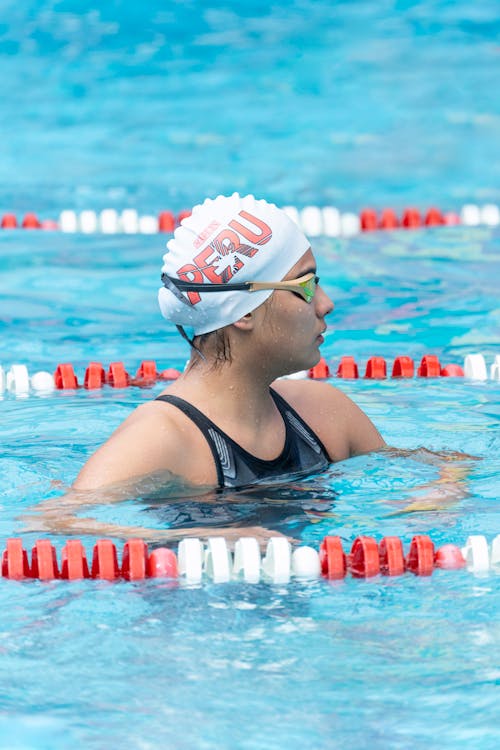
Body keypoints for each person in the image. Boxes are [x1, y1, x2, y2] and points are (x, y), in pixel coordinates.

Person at [26, 194, 472, 543]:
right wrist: (206, 537)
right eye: (305, 285)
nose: (326, 304)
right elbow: (50, 521)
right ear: (244, 311)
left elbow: (441, 465)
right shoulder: (163, 439)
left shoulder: (324, 414)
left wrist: (440, 492)